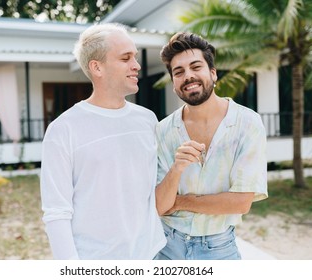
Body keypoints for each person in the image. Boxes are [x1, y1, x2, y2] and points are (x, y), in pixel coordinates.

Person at [40, 23, 166, 260]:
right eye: (125, 58)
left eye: (135, 57)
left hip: (150, 255)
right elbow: (57, 212)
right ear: (97, 67)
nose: (136, 66)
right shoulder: (63, 130)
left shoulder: (148, 120)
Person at [154, 32, 268, 260]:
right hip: (167, 247)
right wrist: (177, 169)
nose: (188, 76)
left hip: (219, 250)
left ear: (213, 73)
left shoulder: (247, 123)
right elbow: (159, 206)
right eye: (179, 72)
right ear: (174, 83)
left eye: (196, 67)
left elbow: (241, 202)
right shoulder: (163, 130)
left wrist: (180, 202)